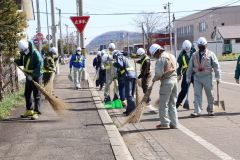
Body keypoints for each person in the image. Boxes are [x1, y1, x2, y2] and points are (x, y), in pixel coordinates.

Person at [186, 37, 221, 117]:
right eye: (200, 46)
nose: (201, 47)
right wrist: (188, 77)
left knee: (209, 94)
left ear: (206, 45)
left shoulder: (211, 54)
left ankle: (211, 110)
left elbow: (216, 66)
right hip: (197, 77)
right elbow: (190, 67)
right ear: (198, 46)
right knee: (197, 94)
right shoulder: (194, 55)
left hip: (207, 77)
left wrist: (218, 76)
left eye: (203, 46)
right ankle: (197, 111)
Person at [149, 44, 178, 129]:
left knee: (163, 104)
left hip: (167, 81)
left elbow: (158, 74)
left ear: (158, 51)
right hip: (174, 80)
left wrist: (154, 79)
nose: (155, 56)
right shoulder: (171, 56)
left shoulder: (161, 58)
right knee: (172, 103)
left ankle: (165, 123)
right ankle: (174, 123)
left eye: (154, 54)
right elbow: (178, 66)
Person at [13, 40, 43, 120]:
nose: (24, 52)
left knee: (36, 94)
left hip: (36, 76)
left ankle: (36, 112)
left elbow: (40, 66)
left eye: (24, 50)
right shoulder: (24, 53)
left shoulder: (36, 54)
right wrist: (14, 60)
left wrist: (33, 75)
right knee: (27, 93)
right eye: (22, 50)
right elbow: (22, 62)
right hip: (28, 76)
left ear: (28, 47)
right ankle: (29, 110)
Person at [112, 50, 136, 115]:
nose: (115, 59)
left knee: (128, 95)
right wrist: (119, 74)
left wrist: (115, 64)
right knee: (130, 94)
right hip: (133, 75)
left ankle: (132, 110)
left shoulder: (119, 56)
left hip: (128, 76)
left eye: (114, 57)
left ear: (115, 54)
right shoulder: (125, 58)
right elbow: (123, 69)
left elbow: (120, 65)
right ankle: (128, 110)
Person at [176, 40, 196, 110]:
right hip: (186, 74)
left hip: (195, 74)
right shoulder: (181, 54)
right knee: (184, 90)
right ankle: (178, 103)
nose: (187, 50)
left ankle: (197, 104)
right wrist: (178, 74)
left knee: (197, 90)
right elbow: (178, 65)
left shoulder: (195, 52)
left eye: (188, 49)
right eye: (186, 49)